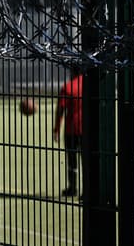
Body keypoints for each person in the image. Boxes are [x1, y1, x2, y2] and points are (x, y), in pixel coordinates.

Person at [52, 66, 83, 198]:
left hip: (71, 129)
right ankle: (88, 190)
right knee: (87, 160)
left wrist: (56, 129)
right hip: (86, 129)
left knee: (71, 160)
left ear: (73, 71)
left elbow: (60, 110)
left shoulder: (68, 87)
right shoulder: (88, 85)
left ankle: (72, 188)